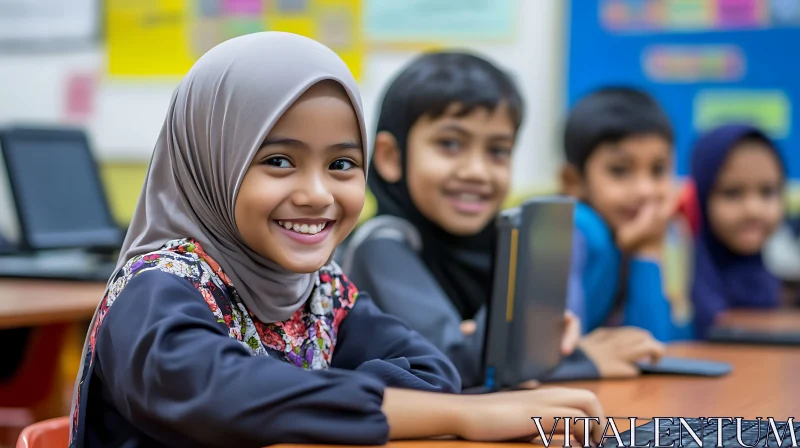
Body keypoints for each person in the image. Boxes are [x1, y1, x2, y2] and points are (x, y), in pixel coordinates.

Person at [68, 33, 605, 448]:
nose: (317, 193)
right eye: (278, 161)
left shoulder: (318, 289)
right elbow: (218, 393)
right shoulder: (156, 290)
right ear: (211, 160)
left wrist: (318, 398)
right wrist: (461, 415)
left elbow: (432, 371)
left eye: (342, 164)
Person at [341, 52, 664, 390]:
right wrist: (576, 359)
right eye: (450, 144)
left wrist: (530, 343)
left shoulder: (495, 240)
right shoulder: (381, 243)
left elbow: (498, 357)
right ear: (392, 157)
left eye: (497, 150)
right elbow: (446, 364)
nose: (477, 172)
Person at [560, 86, 678, 342]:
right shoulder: (577, 226)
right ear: (573, 181)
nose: (645, 190)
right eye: (620, 170)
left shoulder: (633, 234)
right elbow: (560, 346)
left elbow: (652, 348)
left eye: (658, 170)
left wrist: (646, 248)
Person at [689, 124, 786, 338]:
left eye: (767, 192)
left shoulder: (767, 282)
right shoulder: (679, 281)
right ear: (701, 197)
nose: (753, 210)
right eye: (732, 193)